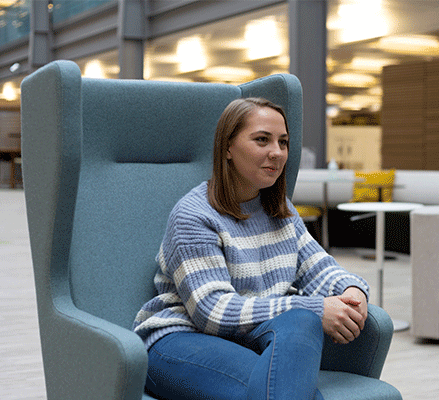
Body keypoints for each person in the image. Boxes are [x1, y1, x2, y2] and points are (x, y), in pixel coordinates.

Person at [133, 97, 370, 400]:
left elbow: (317, 266)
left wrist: (352, 291)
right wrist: (314, 307)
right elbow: (212, 312)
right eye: (262, 140)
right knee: (291, 379)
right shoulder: (194, 214)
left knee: (301, 324)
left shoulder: (280, 209)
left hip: (249, 338)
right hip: (179, 340)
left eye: (283, 142)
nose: (277, 152)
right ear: (227, 147)